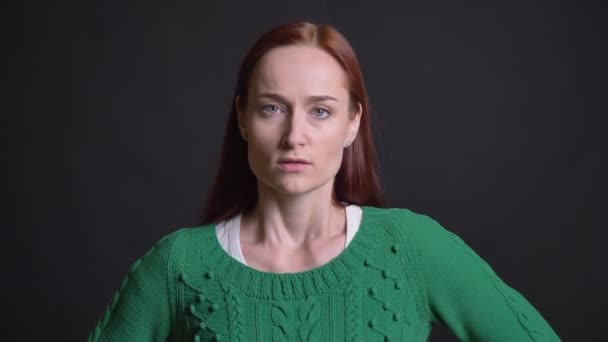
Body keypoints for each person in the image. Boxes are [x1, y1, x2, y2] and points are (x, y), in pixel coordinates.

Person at [88, 21, 560, 341]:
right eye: (272, 107)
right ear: (242, 119)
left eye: (320, 111)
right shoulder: (178, 264)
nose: (295, 136)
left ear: (352, 123)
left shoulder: (410, 247)